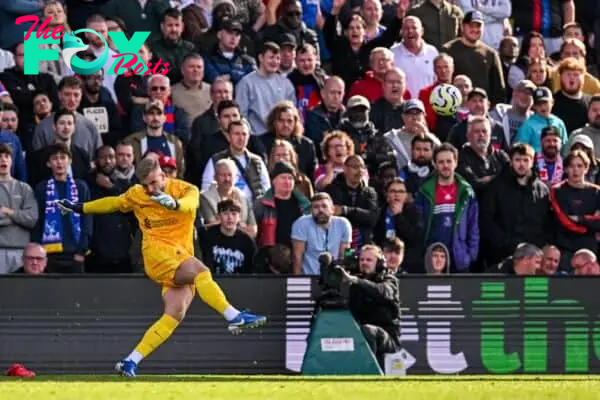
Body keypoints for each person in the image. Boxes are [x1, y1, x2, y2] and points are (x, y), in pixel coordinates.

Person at [57, 157, 266, 378]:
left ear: (163, 175)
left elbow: (190, 204)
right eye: (145, 185)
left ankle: (130, 361)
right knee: (201, 272)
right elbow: (114, 203)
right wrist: (80, 208)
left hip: (179, 256)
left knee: (174, 315)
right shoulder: (137, 194)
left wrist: (174, 203)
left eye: (153, 183)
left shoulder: (185, 189)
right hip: (158, 255)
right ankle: (233, 316)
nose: (149, 189)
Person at [341, 244, 400, 368]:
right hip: (361, 334)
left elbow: (382, 291)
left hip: (387, 339)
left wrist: (356, 281)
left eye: (369, 260)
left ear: (379, 263)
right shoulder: (355, 283)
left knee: (368, 330)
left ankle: (368, 372)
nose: (364, 263)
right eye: (362, 260)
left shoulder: (389, 279)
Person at [291, 192, 352, 275]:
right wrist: (298, 281)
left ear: (332, 209)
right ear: (311, 211)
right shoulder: (301, 224)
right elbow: (297, 256)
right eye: (316, 207)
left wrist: (343, 279)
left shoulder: (343, 224)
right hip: (309, 276)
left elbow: (345, 255)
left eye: (324, 206)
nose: (320, 210)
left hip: (335, 277)